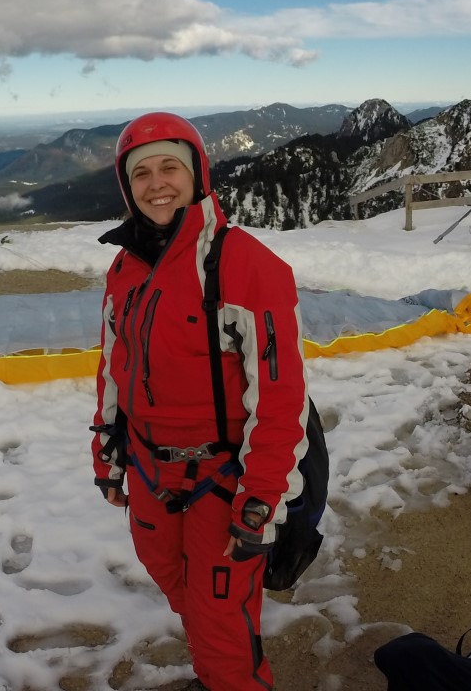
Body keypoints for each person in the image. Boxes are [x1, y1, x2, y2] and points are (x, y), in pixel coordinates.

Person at [91, 112, 310, 691]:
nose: (157, 183)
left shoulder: (245, 265)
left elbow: (281, 397)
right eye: (141, 173)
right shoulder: (125, 267)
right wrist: (107, 449)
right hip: (146, 462)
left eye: (170, 167)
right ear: (127, 185)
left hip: (223, 472)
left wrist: (261, 498)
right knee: (167, 571)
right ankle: (225, 647)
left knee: (216, 613)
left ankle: (231, 671)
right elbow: (113, 365)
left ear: (197, 174)